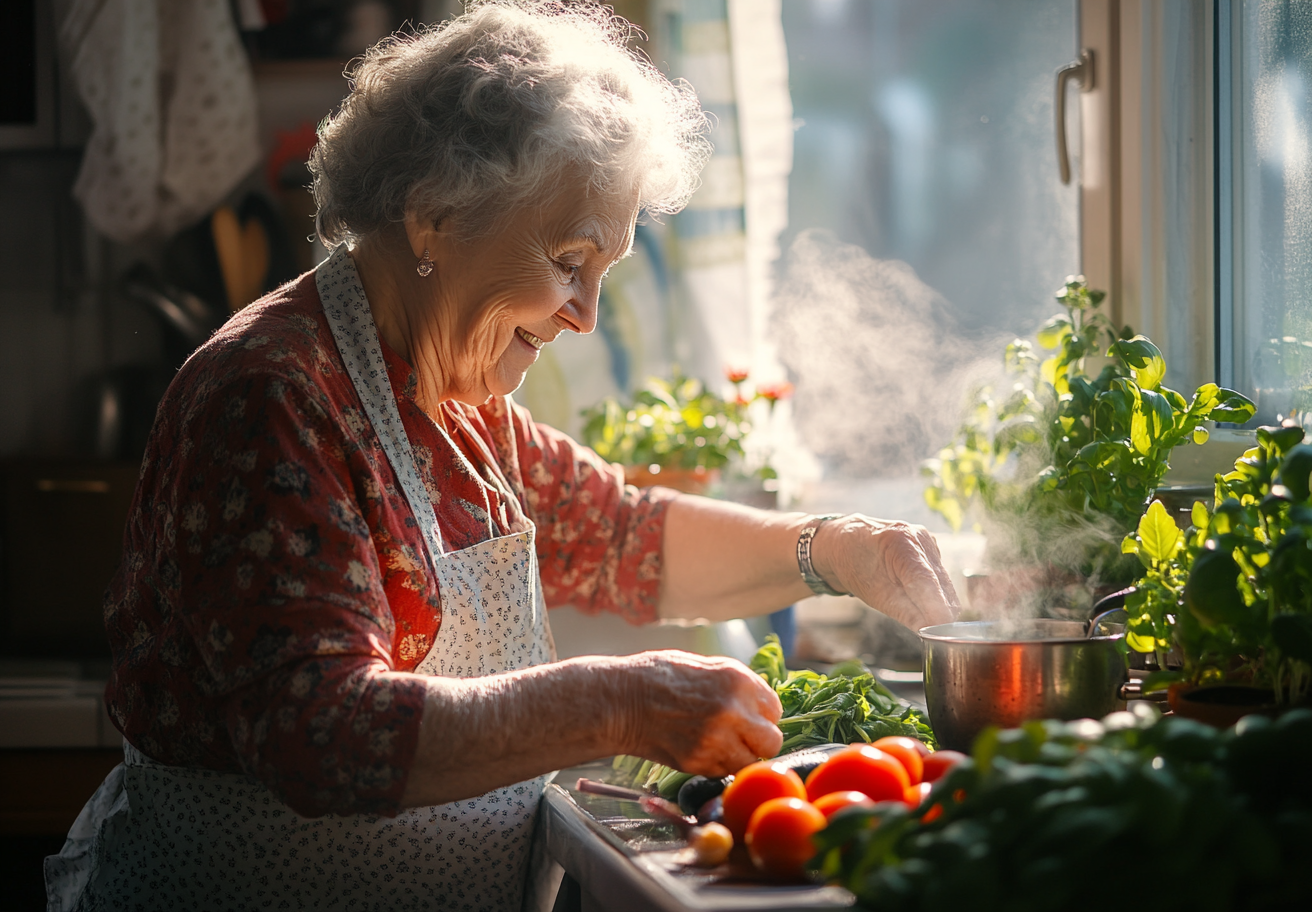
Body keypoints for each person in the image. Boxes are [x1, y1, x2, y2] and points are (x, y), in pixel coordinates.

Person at [46, 3, 959, 910]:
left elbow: (623, 536)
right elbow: (319, 733)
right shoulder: (272, 397)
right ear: (435, 217)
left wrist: (836, 549)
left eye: (602, 274)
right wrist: (620, 703)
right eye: (568, 261)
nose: (585, 316)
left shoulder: (452, 397)